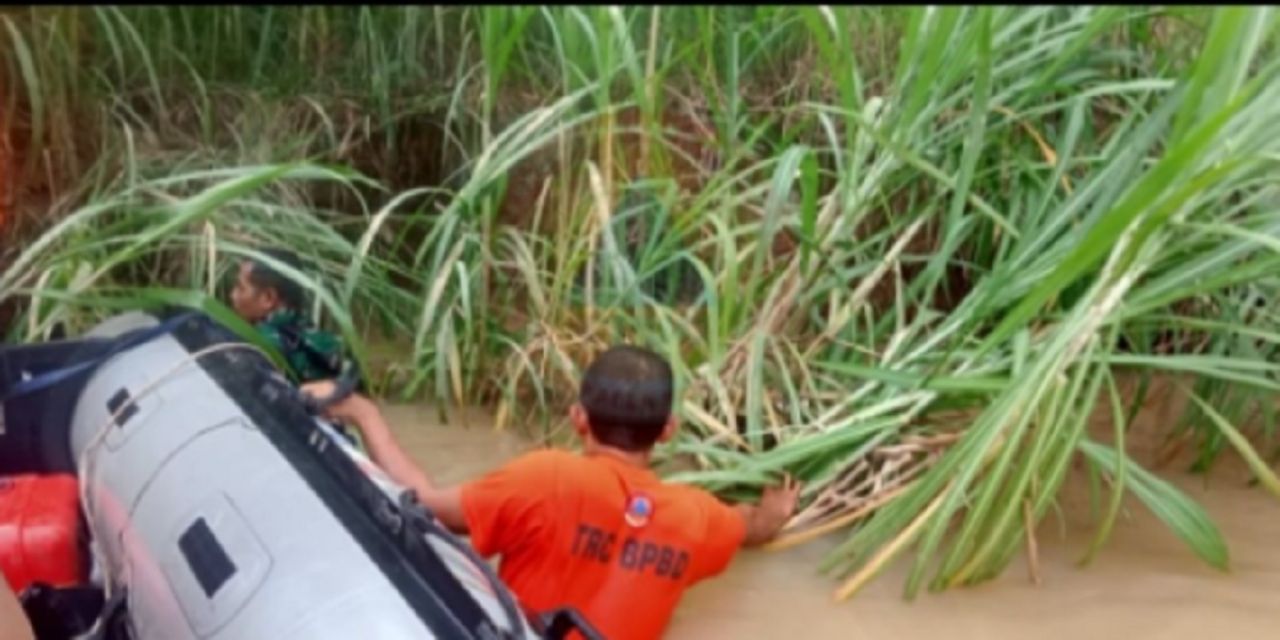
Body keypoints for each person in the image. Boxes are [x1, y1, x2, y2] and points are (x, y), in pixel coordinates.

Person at [302, 345, 800, 640]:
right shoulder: (698, 518)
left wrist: (363, 413)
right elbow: (750, 527)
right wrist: (776, 510)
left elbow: (424, 504)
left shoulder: (545, 479)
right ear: (668, 429)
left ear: (578, 418)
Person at [228, 248, 344, 383]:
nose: (232, 295)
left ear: (268, 298)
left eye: (240, 288)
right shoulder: (324, 341)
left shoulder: (256, 348)